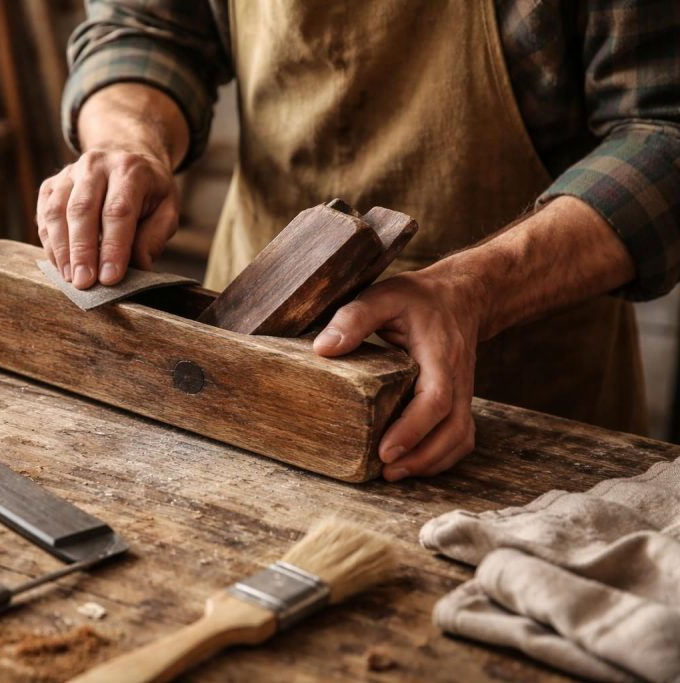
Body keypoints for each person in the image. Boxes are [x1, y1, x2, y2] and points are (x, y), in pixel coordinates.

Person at [36, 1, 680, 481]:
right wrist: (128, 139)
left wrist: (474, 290)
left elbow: (664, 131)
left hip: (515, 395)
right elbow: (144, 28)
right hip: (244, 349)